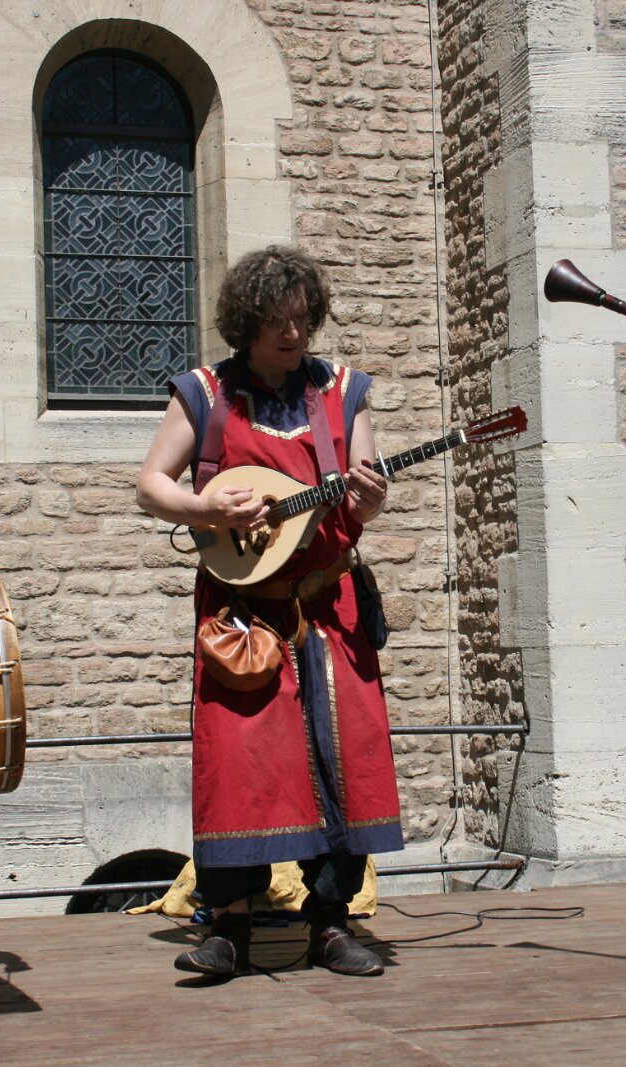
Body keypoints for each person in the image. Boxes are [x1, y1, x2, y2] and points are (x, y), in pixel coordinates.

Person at [136, 246, 402, 979]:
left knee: (337, 755)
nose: (292, 333)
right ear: (246, 321)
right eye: (277, 321)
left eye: (302, 319)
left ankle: (330, 922)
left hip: (329, 606)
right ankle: (228, 926)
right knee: (240, 757)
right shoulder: (205, 393)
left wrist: (369, 502)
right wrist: (205, 507)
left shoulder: (343, 391)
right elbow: (152, 484)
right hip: (241, 609)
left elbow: (362, 498)